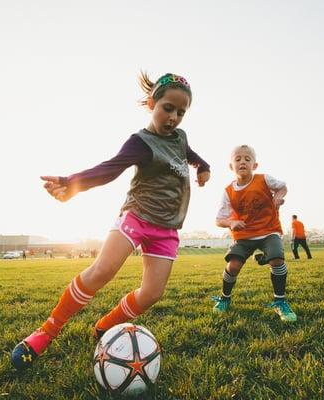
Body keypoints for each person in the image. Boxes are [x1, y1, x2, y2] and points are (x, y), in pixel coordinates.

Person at [11, 72, 210, 370]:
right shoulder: (141, 142)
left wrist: (204, 167)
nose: (174, 117)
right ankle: (46, 331)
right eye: (168, 108)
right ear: (151, 103)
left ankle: (104, 326)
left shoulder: (180, 138)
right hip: (137, 216)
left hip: (167, 229)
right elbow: (110, 169)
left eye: (181, 112)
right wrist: (72, 182)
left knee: (152, 294)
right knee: (102, 270)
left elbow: (192, 155)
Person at [211, 145, 296, 322]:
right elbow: (219, 219)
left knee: (277, 259)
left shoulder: (264, 179)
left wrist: (278, 196)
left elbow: (283, 187)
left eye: (247, 159)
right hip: (244, 236)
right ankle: (224, 298)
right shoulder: (228, 191)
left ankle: (280, 302)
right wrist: (231, 222)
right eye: (238, 159)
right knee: (233, 265)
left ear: (255, 165)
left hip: (268, 230)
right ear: (231, 166)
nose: (243, 161)